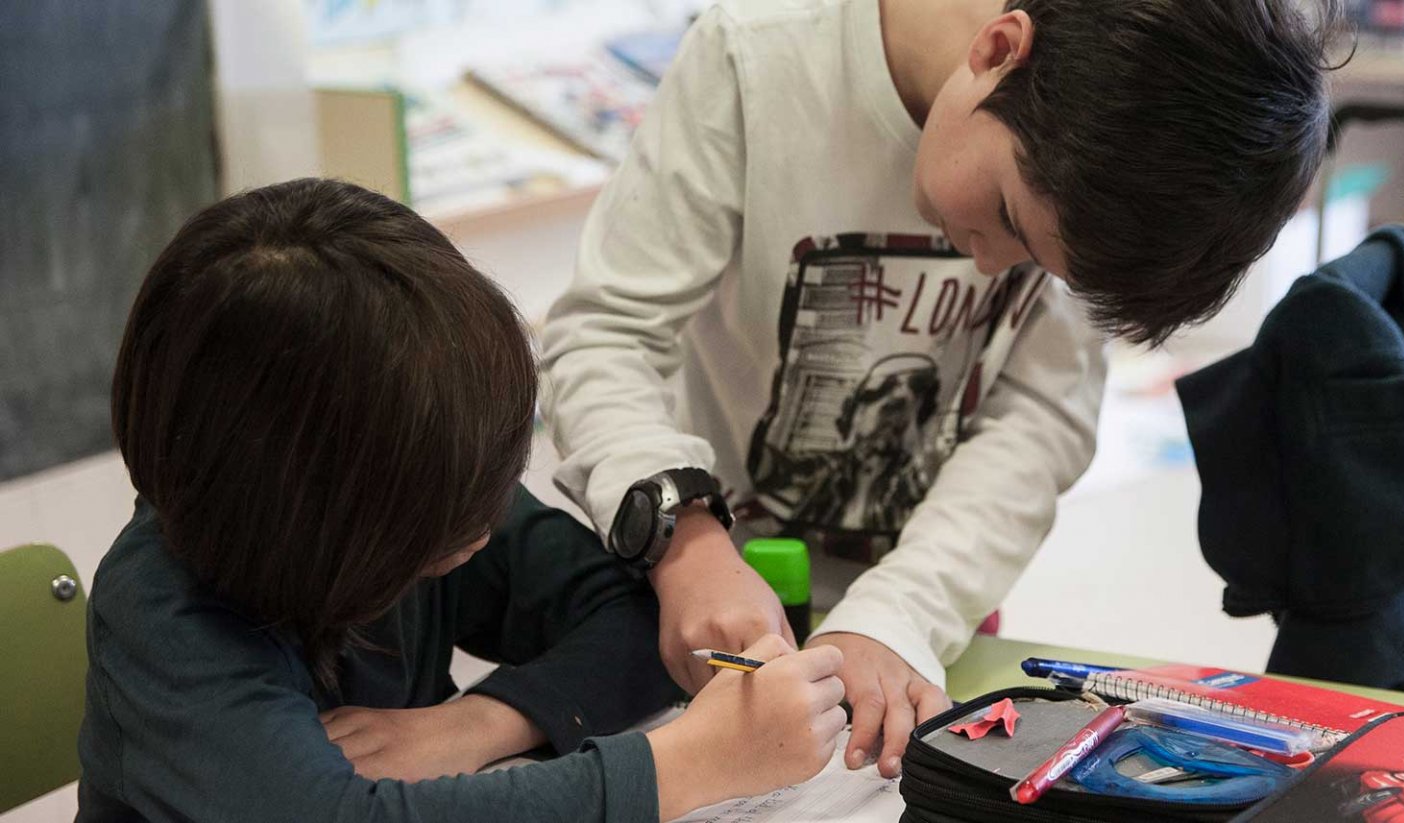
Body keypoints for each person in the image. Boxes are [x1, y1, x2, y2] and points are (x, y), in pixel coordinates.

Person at [540, 0, 1338, 776]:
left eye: (1035, 265)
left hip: (927, 608)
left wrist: (901, 612)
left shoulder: (1105, 172)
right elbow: (605, 333)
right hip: (699, 597)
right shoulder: (758, 59)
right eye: (1009, 221)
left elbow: (1039, 421)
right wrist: (685, 542)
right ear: (997, 51)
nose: (992, 267)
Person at [79, 178, 847, 822]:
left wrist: (474, 723)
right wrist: (684, 764)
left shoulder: (408, 486)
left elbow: (635, 617)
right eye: (455, 518)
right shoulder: (163, 615)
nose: (487, 527)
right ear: (322, 518)